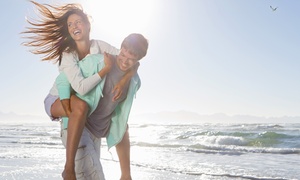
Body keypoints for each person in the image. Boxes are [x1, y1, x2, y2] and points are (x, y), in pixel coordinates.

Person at [21, 1, 137, 179]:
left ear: (88, 25)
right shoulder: (68, 55)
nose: (74, 26)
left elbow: (129, 61)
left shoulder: (99, 46)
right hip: (56, 98)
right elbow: (80, 87)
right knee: (81, 106)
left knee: (102, 114)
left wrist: (123, 82)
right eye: (70, 24)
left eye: (78, 22)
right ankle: (68, 169)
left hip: (80, 101)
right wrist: (105, 70)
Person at [57, 33, 149, 180]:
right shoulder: (98, 62)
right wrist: (68, 110)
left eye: (131, 60)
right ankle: (67, 169)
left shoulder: (134, 82)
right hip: (79, 129)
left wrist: (126, 174)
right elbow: (62, 78)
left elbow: (120, 123)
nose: (125, 62)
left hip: (96, 135)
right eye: (123, 55)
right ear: (121, 48)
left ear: (138, 61)